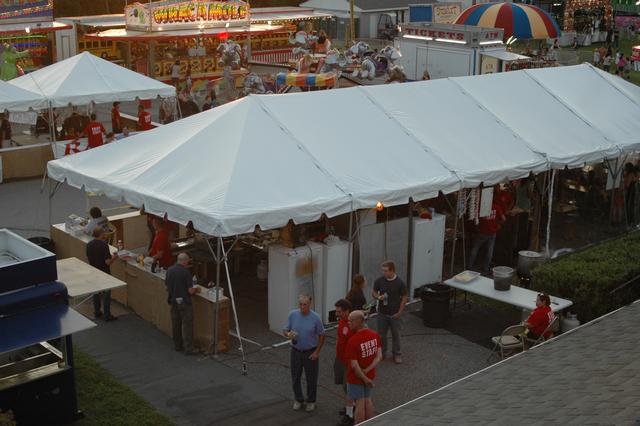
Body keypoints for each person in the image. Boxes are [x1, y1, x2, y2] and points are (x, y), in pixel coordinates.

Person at [283, 295, 325, 412]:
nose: (302, 307)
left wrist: (317, 352)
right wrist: (288, 334)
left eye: (304, 304)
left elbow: (322, 335)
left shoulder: (316, 318)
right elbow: (285, 330)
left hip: (310, 352)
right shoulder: (293, 315)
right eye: (300, 304)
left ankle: (311, 401)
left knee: (311, 378)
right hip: (296, 351)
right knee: (295, 377)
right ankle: (298, 399)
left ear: (309, 304)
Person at [345, 310, 382, 424]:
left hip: (356, 378)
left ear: (358, 322)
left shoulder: (353, 341)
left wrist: (364, 378)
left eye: (350, 321)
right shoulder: (375, 335)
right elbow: (379, 356)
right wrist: (368, 371)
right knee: (367, 400)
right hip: (369, 375)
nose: (348, 323)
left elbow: (355, 366)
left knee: (360, 403)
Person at [372, 261, 407, 364]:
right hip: (382, 313)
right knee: (381, 335)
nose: (383, 273)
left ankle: (397, 354)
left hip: (395, 314)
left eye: (385, 270)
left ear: (392, 270)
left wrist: (400, 312)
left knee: (396, 335)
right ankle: (382, 353)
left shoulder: (399, 283)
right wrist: (378, 297)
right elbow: (373, 292)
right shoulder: (379, 281)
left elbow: (405, 297)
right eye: (382, 270)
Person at [165, 252, 201, 354]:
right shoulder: (185, 272)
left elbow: (167, 287)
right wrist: (197, 289)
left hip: (173, 301)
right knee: (187, 325)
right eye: (187, 261)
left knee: (176, 324)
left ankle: (177, 345)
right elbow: (190, 291)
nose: (188, 263)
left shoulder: (170, 270)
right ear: (184, 261)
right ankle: (189, 348)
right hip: (184, 302)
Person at [86, 227, 118, 321]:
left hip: (94, 272)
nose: (105, 234)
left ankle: (97, 312)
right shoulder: (104, 245)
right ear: (101, 234)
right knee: (106, 294)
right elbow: (107, 262)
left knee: (96, 293)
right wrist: (115, 257)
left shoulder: (89, 244)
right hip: (104, 272)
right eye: (104, 233)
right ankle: (107, 315)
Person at [468, 197, 506, 272]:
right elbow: (504, 219)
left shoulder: (481, 208)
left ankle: (469, 265)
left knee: (475, 248)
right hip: (492, 232)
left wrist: (477, 227)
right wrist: (498, 224)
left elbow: (475, 220)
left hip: (482, 232)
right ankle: (486, 267)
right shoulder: (497, 207)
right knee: (490, 251)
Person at [334, 299, 355, 426]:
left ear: (347, 311)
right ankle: (350, 407)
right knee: (344, 386)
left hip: (349, 362)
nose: (337, 314)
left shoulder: (353, 324)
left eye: (339, 311)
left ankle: (350, 415)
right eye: (336, 311)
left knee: (348, 388)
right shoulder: (341, 321)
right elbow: (339, 337)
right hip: (340, 359)